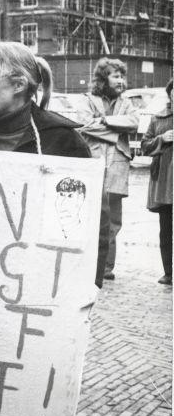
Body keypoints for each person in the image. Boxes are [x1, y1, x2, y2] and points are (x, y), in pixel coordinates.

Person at [0, 41, 91, 416]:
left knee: (42, 395)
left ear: (18, 84)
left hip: (42, 299)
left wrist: (87, 283)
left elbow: (87, 223)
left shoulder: (63, 141)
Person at [76, 58, 138, 282]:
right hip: (93, 161)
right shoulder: (87, 100)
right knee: (89, 214)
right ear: (104, 78)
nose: (120, 81)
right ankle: (86, 261)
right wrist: (115, 131)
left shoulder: (127, 103)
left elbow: (133, 123)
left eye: (122, 76)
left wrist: (103, 121)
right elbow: (84, 125)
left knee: (113, 219)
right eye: (115, 76)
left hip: (117, 166)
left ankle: (106, 267)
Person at [141, 79, 173, 285]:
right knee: (166, 229)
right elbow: (144, 146)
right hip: (164, 185)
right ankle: (168, 272)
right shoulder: (158, 118)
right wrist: (162, 138)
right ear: (170, 94)